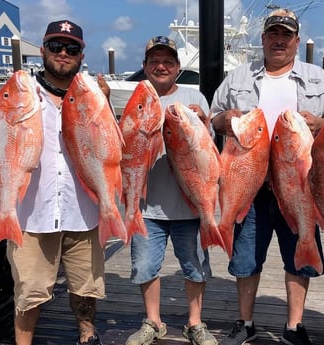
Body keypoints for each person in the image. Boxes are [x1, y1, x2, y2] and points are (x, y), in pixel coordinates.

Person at [210, 9, 324, 345]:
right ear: (263, 39)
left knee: (300, 254)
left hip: (299, 184)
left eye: (286, 35)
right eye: (273, 34)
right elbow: (213, 116)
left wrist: (321, 125)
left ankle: (294, 325)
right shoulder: (238, 76)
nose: (279, 41)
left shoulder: (319, 79)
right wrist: (222, 120)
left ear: (296, 41)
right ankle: (245, 322)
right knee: (246, 258)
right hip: (249, 184)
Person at [7, 20, 110, 345]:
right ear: (42, 51)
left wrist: (105, 106)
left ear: (81, 55)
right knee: (29, 292)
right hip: (31, 217)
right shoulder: (22, 93)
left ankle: (87, 335)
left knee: (86, 286)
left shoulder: (93, 95)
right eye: (55, 46)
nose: (63, 53)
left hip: (83, 212)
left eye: (71, 48)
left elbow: (109, 147)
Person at [125, 36, 218, 345]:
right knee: (145, 266)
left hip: (190, 205)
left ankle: (195, 322)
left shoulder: (195, 96)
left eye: (167, 62)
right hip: (147, 206)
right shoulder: (140, 98)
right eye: (154, 62)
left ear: (178, 67)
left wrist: (202, 122)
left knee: (194, 266)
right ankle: (152, 321)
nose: (161, 66)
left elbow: (208, 147)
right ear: (145, 67)